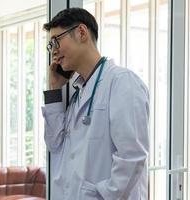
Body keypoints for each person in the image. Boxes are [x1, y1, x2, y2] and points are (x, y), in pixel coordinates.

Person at [42, 8, 149, 199]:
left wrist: (100, 194)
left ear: (82, 32)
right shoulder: (79, 92)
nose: (54, 50)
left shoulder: (122, 82)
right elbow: (54, 144)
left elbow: (132, 157)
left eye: (56, 40)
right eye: (51, 45)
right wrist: (53, 90)